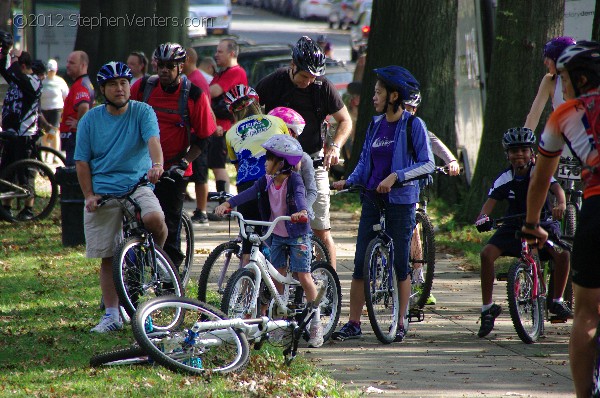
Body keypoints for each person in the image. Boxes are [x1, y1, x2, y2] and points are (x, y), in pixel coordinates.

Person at [331, 66, 434, 342]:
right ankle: (353, 323)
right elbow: (365, 161)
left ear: (394, 95)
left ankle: (400, 322)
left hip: (401, 201)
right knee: (359, 263)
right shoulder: (375, 124)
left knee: (401, 262)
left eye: (378, 92)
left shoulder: (413, 125)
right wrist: (350, 180)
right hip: (372, 199)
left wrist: (396, 176)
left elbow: (427, 163)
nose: (373, 96)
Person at [522, 41, 600, 397]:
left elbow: (540, 178)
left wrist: (531, 223)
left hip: (597, 211)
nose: (561, 87)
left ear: (582, 79)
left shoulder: (565, 114)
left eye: (565, 79)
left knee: (586, 312)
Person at [74, 61, 167, 333]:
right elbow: (82, 162)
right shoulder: (90, 119)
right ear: (103, 89)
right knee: (108, 256)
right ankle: (111, 315)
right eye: (113, 84)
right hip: (103, 189)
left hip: (137, 184)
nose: (120, 88)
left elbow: (153, 142)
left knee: (154, 217)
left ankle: (155, 260)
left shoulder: (143, 111)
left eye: (124, 83)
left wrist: (157, 165)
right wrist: (89, 195)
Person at [214, 134, 324, 348]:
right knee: (277, 279)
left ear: (282, 164)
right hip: (277, 235)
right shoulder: (266, 180)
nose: (265, 163)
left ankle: (316, 323)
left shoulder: (295, 180)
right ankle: (280, 325)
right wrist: (228, 203)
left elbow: (301, 197)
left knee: (303, 275)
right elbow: (249, 193)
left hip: (297, 234)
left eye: (269, 159)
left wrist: (302, 211)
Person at [256, 36, 352, 270]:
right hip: (277, 165)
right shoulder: (274, 82)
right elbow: (254, 116)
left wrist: (336, 146)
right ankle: (279, 286)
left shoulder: (322, 87)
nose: (309, 82)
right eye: (304, 76)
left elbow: (345, 121)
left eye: (313, 77)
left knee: (320, 226)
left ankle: (328, 287)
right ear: (293, 66)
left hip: (314, 161)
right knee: (274, 227)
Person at [475, 127, 572, 338]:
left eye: (523, 150)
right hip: (514, 226)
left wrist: (561, 204)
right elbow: (488, 205)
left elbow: (557, 190)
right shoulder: (505, 178)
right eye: (513, 151)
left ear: (532, 153)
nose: (518, 154)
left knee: (563, 254)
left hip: (542, 223)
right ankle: (487, 309)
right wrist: (483, 218)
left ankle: (556, 301)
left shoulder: (540, 171)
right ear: (507, 154)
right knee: (486, 254)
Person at [131, 42, 216, 272]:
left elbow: (204, 137)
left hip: (174, 169)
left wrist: (184, 162)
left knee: (169, 224)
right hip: (141, 167)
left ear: (182, 66)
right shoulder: (143, 87)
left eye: (170, 66)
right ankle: (131, 274)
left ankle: (170, 280)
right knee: (134, 222)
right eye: (160, 65)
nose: (164, 70)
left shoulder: (194, 95)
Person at [0, 31, 43, 220]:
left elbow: (15, 71)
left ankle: (28, 209)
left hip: (25, 134)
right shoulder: (17, 80)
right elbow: (5, 70)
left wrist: (14, 55)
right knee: (6, 171)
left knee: (25, 174)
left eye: (17, 62)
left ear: (24, 65)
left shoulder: (33, 82)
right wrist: (5, 51)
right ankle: (6, 207)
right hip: (10, 133)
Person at [208, 38, 248, 204]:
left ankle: (224, 205)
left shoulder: (235, 72)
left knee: (218, 166)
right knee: (215, 165)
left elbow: (212, 92)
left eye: (220, 51)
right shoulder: (223, 72)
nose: (216, 55)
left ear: (232, 53)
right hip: (218, 125)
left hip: (225, 127)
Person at [267, 106, 317, 220]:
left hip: (297, 216)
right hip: (275, 217)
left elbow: (312, 190)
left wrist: (304, 210)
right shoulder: (269, 159)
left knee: (322, 231)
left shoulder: (304, 159)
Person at [183, 46, 214, 224]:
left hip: (199, 132)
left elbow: (205, 105)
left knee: (200, 172)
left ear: (187, 59)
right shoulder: (190, 78)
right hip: (191, 132)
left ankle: (201, 210)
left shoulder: (196, 80)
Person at [524, 36, 576, 132]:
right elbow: (533, 116)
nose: (545, 62)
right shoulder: (550, 80)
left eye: (549, 58)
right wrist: (524, 141)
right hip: (563, 141)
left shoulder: (584, 81)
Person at [59, 50, 95, 166]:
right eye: (68, 62)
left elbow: (84, 106)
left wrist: (79, 123)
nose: (68, 65)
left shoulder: (81, 85)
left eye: (72, 63)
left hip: (75, 138)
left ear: (83, 65)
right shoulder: (83, 83)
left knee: (73, 173)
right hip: (74, 138)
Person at [39, 59, 68, 160]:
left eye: (53, 70)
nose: (51, 72)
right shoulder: (42, 80)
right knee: (44, 133)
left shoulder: (60, 81)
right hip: (43, 109)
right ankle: (46, 152)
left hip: (56, 109)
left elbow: (66, 95)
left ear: (56, 70)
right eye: (49, 70)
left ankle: (56, 154)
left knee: (54, 132)